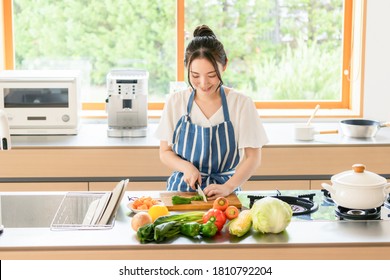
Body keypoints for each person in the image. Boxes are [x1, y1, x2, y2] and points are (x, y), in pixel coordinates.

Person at [154, 24, 268, 200]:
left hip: (224, 193)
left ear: (224, 66)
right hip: (182, 192)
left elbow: (253, 157)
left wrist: (228, 187)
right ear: (186, 68)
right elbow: (165, 152)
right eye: (195, 75)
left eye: (212, 75)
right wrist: (186, 167)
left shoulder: (241, 104)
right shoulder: (175, 102)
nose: (203, 83)